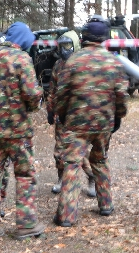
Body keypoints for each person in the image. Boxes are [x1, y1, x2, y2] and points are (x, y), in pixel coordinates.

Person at [53, 16, 128, 228]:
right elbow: (121, 96)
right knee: (100, 160)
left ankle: (66, 216)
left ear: (84, 37)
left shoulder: (73, 61)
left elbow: (61, 94)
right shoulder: (114, 62)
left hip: (76, 123)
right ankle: (106, 205)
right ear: (104, 38)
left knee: (72, 164)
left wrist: (62, 115)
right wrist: (117, 118)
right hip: (103, 123)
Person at [0, 22, 45, 241]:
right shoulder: (22, 59)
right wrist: (34, 104)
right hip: (17, 131)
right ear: (23, 40)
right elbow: (32, 94)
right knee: (25, 174)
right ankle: (26, 225)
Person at [46, 30, 96, 198]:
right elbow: (52, 90)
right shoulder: (58, 65)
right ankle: (61, 179)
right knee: (59, 151)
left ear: (75, 45)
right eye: (62, 46)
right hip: (61, 114)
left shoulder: (84, 63)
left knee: (79, 151)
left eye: (67, 46)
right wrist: (50, 109)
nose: (64, 50)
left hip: (78, 115)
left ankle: (91, 177)